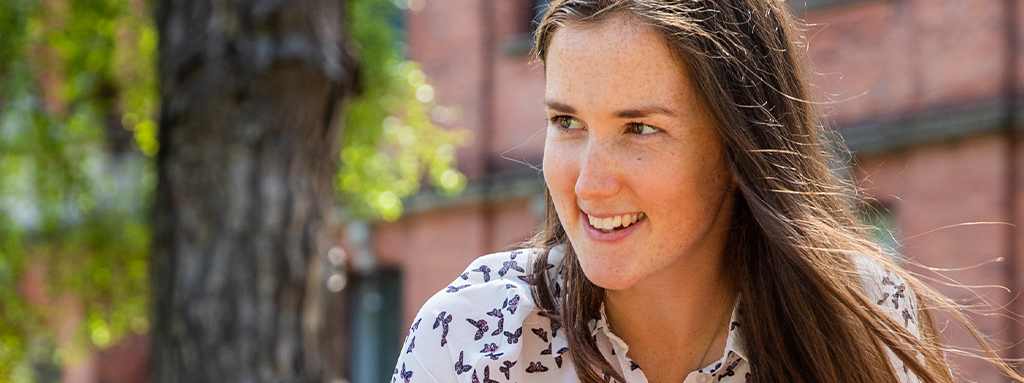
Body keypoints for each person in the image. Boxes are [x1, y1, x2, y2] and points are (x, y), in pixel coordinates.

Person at [392, 1, 1021, 382]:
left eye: (640, 129)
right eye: (567, 123)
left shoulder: (861, 317)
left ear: (734, 144)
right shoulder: (475, 337)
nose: (589, 181)